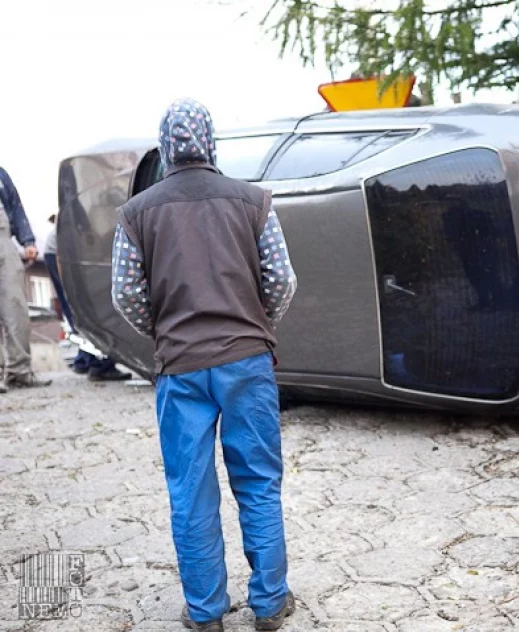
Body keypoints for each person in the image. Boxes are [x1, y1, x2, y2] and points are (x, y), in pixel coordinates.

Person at [111, 99, 298, 632]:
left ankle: (206, 614)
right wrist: (257, 322)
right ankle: (269, 604)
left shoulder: (137, 212)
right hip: (247, 362)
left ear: (166, 144)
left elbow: (125, 293)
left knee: (190, 491)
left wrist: (164, 329)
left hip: (180, 368)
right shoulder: (253, 201)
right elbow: (281, 280)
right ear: (211, 141)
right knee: (258, 482)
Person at [44, 214, 131, 381]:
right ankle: (96, 363)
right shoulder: (90, 232)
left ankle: (85, 360)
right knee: (83, 309)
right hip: (61, 253)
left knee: (83, 308)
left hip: (62, 252)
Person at [0, 166, 52, 393]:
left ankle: (19, 372)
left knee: (16, 308)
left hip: (3, 241)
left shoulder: (1, 174)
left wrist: (28, 240)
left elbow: (15, 207)